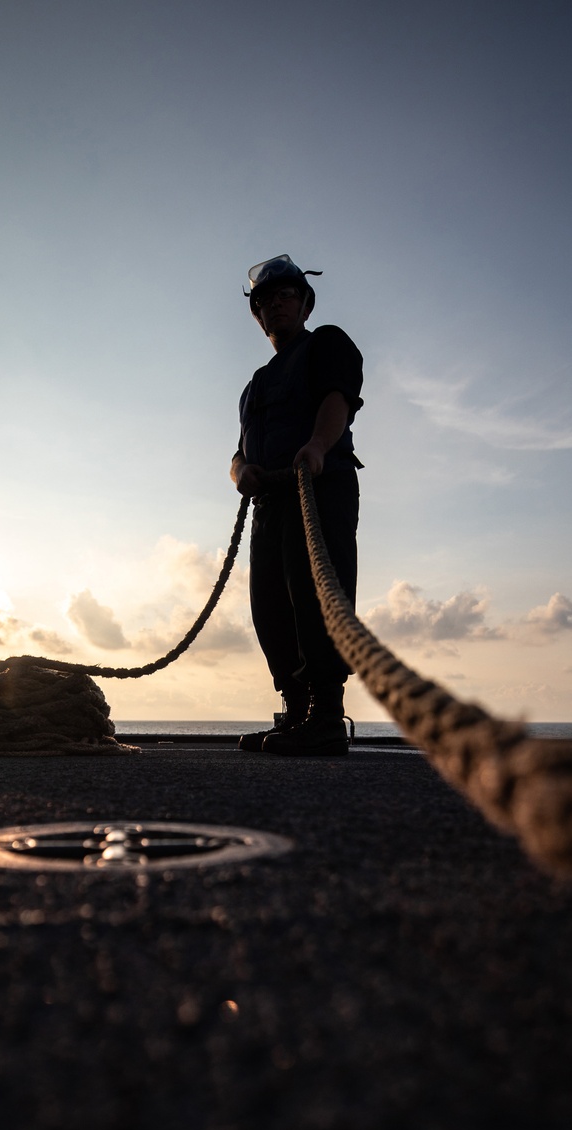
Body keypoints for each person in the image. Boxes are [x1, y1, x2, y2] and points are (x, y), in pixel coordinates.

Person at [230, 255, 363, 756]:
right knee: (270, 606)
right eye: (265, 299)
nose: (276, 302)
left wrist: (317, 446)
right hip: (269, 501)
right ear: (256, 315)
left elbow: (339, 398)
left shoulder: (327, 342)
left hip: (318, 486)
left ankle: (326, 716)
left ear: (305, 302)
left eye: (287, 294)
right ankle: (296, 710)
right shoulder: (254, 387)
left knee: (316, 597)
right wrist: (240, 471)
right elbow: (239, 450)